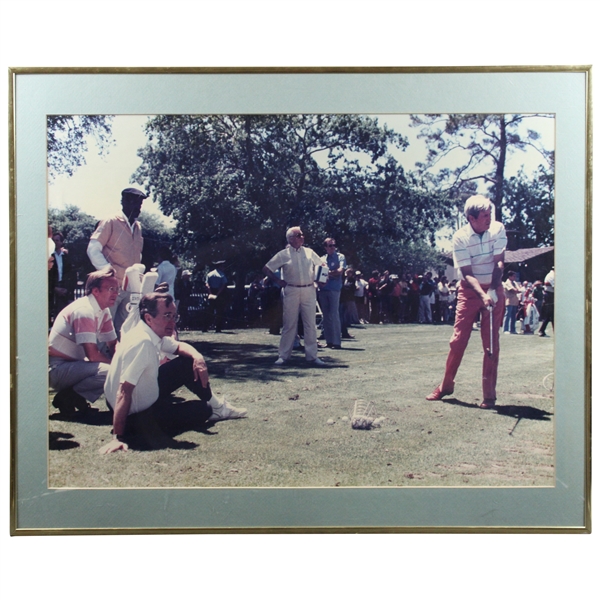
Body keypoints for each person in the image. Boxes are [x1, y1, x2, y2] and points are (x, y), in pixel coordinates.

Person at [99, 292, 247, 454]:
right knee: (203, 409)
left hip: (128, 400)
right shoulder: (143, 342)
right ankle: (215, 408)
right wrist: (118, 437)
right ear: (149, 318)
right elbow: (124, 390)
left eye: (174, 316)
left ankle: (218, 406)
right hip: (135, 415)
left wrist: (198, 357)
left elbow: (178, 346)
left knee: (188, 361)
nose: (172, 322)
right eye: (167, 316)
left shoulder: (147, 331)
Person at [426, 195, 507, 409]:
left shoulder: (498, 229)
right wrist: (483, 294)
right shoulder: (460, 237)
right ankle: (446, 385)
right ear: (471, 218)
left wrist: (493, 290)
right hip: (470, 291)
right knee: (458, 340)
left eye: (490, 215)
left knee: (491, 344)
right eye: (484, 216)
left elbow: (499, 263)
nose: (489, 219)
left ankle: (489, 395)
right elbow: (467, 273)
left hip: (494, 288)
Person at [48, 267, 119, 415]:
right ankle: (68, 398)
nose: (116, 293)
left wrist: (123, 362)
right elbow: (93, 355)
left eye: (117, 289)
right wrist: (119, 368)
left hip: (74, 365)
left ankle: (75, 397)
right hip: (56, 368)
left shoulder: (102, 309)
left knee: (115, 370)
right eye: (110, 288)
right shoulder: (84, 310)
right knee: (110, 372)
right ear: (95, 291)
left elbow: (113, 344)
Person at [263, 227, 326, 366]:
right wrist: (278, 281)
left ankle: (312, 356)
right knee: (289, 324)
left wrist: (321, 279)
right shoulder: (283, 254)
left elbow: (322, 265)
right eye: (299, 235)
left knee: (310, 324)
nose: (302, 237)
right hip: (291, 290)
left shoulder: (309, 252)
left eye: (302, 234)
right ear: (291, 239)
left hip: (309, 290)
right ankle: (283, 356)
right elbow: (267, 269)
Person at [87, 187, 146, 335]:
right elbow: (93, 250)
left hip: (130, 288)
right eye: (134, 203)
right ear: (124, 202)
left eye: (140, 204)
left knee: (126, 331)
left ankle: (121, 358)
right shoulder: (110, 221)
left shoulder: (138, 227)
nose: (138, 208)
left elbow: (137, 255)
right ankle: (98, 358)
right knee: (103, 329)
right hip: (110, 287)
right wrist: (109, 273)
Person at [318, 237, 346, 349]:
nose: (333, 247)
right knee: (326, 316)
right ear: (325, 247)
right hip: (323, 289)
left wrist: (327, 273)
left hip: (334, 288)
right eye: (330, 245)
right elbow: (319, 273)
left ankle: (336, 342)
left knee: (334, 314)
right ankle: (329, 341)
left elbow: (340, 271)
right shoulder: (322, 259)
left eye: (334, 245)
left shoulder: (340, 257)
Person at [49, 231, 76, 324]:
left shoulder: (66, 256)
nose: (55, 242)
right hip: (52, 289)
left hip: (64, 288)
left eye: (57, 240)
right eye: (53, 240)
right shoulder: (48, 256)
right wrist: (54, 288)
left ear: (61, 242)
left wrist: (67, 290)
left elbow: (72, 275)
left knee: (63, 315)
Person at [204, 260, 229, 333]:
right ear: (220, 266)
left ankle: (205, 327)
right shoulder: (221, 275)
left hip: (211, 291)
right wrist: (217, 294)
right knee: (220, 311)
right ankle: (218, 328)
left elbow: (207, 284)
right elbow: (223, 285)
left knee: (210, 310)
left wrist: (210, 293)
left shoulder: (210, 274)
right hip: (219, 293)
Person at [538, 266, 555, 337]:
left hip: (551, 295)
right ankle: (541, 330)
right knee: (550, 314)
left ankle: (543, 330)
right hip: (549, 295)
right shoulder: (551, 276)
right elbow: (555, 286)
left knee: (552, 315)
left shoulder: (552, 275)